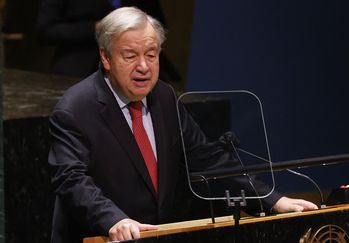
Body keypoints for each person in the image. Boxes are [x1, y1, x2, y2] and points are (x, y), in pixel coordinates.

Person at [48, 7, 318, 243]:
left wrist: (273, 200)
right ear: (106, 59)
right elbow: (71, 180)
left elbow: (209, 160)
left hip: (157, 236)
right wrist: (113, 220)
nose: (143, 66)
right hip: (100, 237)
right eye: (130, 56)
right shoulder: (75, 109)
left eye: (151, 55)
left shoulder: (164, 97)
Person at [36, 0, 180, 81]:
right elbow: (45, 31)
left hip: (134, 68)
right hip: (79, 70)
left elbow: (158, 24)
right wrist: (96, 28)